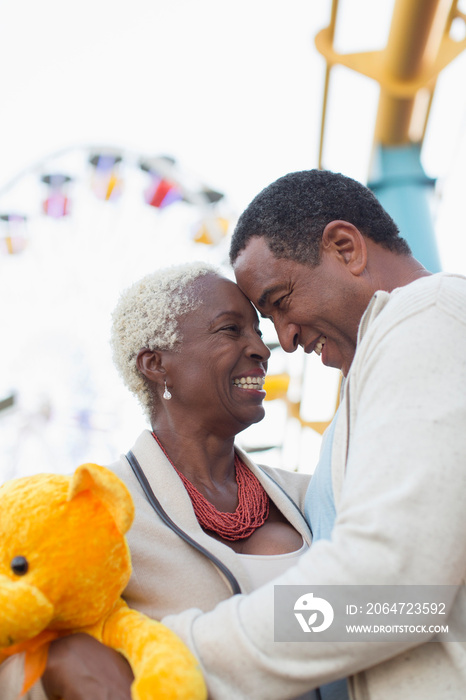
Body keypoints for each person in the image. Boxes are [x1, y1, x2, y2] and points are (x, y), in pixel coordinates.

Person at [160, 169, 465, 699]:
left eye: (280, 302)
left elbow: (391, 591)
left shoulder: (425, 319)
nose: (285, 339)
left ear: (346, 248)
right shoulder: (376, 376)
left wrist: (178, 651)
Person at [0, 261, 314, 700]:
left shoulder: (309, 495)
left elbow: (395, 613)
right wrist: (58, 664)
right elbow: (16, 639)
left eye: (257, 332)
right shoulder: (93, 510)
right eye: (230, 330)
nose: (262, 349)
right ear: (155, 364)